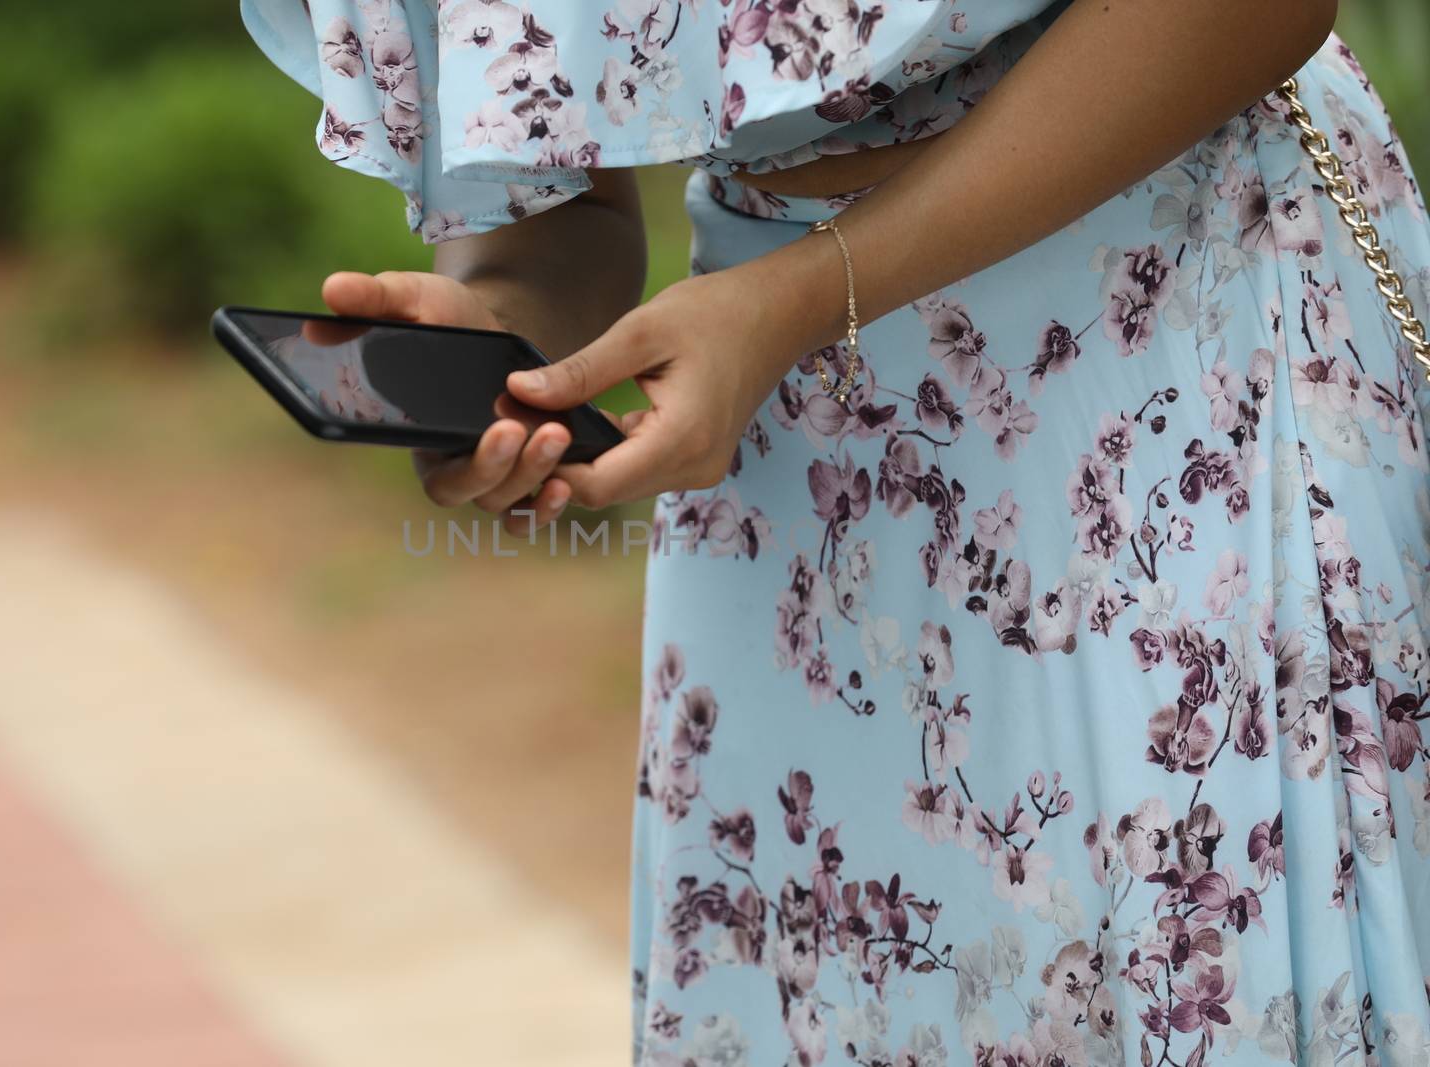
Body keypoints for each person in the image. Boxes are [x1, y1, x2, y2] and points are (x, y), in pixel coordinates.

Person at [243, 0, 1430, 1061]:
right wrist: (499, 323)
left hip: (1161, 341)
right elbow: (557, 212)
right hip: (787, 457)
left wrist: (804, 296)